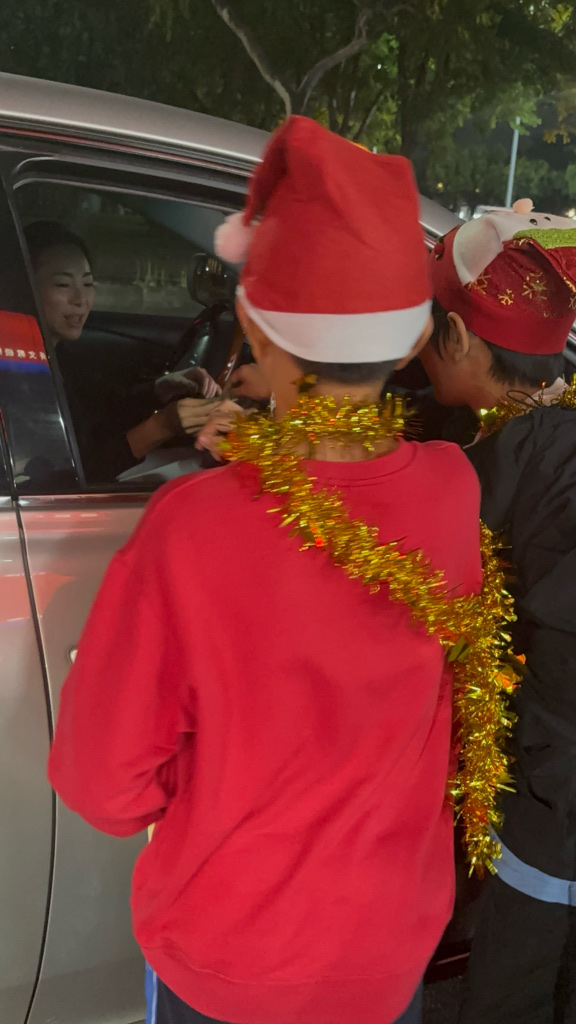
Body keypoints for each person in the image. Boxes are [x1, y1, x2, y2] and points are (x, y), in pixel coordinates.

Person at [47, 116, 487, 1024]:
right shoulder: (452, 490)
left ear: (249, 322)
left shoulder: (192, 527)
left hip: (228, 960)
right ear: (414, 341)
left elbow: (101, 783)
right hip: (385, 954)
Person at [420, 200, 576, 1024]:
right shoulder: (554, 432)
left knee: (514, 990)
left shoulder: (479, 474)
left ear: (454, 336)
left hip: (555, 803)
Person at [24, 221, 225, 480]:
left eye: (88, 283)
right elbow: (68, 478)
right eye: (63, 284)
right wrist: (161, 426)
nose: (80, 299)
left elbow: (100, 413)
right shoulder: (16, 376)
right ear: (23, 286)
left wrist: (159, 389)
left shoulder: (61, 356)